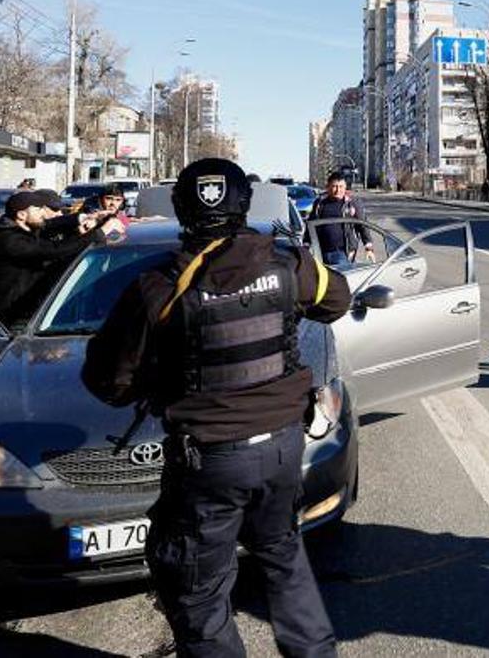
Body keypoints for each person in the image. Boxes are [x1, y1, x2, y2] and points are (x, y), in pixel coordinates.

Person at [82, 158, 350, 658]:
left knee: (199, 594)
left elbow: (108, 380)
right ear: (243, 205)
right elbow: (336, 300)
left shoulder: (159, 287)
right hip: (283, 448)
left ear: (183, 211)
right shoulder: (287, 263)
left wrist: (158, 377)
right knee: (284, 556)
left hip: (209, 461)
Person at [0, 189, 121, 328]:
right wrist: (101, 232)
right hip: (13, 318)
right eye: (37, 210)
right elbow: (55, 250)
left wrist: (88, 217)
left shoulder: (25, 229)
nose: (43, 214)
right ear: (21, 215)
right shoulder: (9, 241)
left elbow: (49, 225)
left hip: (35, 311)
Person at [307, 171, 373, 266]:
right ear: (328, 187)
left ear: (345, 187)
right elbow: (311, 223)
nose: (338, 190)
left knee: (341, 277)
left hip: (343, 252)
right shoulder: (319, 203)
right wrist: (306, 243)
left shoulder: (351, 204)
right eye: (334, 186)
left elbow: (362, 225)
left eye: (341, 186)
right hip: (320, 252)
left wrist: (368, 246)